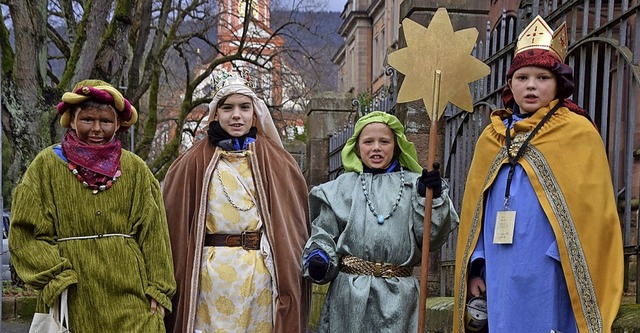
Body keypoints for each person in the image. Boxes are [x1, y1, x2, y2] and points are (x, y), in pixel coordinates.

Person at [453, 16, 623, 333]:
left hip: (551, 268)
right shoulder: (491, 138)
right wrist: (477, 265)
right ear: (510, 84)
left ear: (559, 83)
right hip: (498, 269)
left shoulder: (577, 132)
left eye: (542, 77)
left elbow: (594, 212)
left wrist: (564, 256)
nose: (531, 85)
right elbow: (476, 213)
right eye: (523, 77)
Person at [9, 79, 176, 332]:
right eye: (87, 119)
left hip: (130, 294)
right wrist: (55, 276)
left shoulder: (135, 169)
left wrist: (159, 288)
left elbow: (154, 233)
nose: (97, 128)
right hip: (72, 295)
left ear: (118, 124)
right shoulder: (45, 166)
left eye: (105, 121)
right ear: (72, 120)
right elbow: (25, 234)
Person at [162, 69, 311, 333]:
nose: (236, 115)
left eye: (244, 107)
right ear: (216, 113)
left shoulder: (278, 162)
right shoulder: (192, 162)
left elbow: (294, 228)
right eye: (227, 107)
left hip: (259, 276)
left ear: (255, 112)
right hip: (209, 276)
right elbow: (172, 223)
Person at [301, 111, 459, 332]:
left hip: (399, 296)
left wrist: (429, 200)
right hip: (350, 295)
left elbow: (430, 238)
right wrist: (320, 257)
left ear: (396, 146)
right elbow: (324, 234)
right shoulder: (340, 189)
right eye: (368, 142)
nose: (376, 147)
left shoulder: (414, 186)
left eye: (384, 141)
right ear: (357, 147)